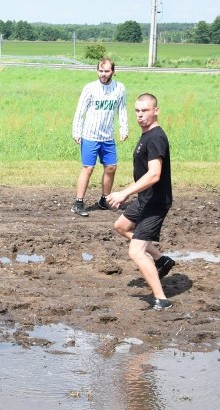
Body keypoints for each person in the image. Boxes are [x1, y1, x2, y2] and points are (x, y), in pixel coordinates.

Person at [106, 93, 175, 311]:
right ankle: (161, 260)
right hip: (145, 199)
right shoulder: (146, 135)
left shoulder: (156, 137)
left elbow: (154, 175)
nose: (140, 115)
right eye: (137, 111)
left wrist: (124, 193)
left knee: (136, 251)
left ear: (156, 110)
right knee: (121, 226)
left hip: (155, 203)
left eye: (144, 110)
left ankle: (162, 299)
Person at [71, 57, 128, 216]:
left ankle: (104, 199)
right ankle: (78, 203)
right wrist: (76, 132)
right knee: (88, 168)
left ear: (113, 72)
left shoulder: (120, 88)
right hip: (90, 135)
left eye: (107, 71)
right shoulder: (90, 88)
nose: (103, 74)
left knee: (111, 167)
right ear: (97, 71)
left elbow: (122, 110)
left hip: (107, 137)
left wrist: (124, 129)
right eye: (101, 71)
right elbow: (80, 111)